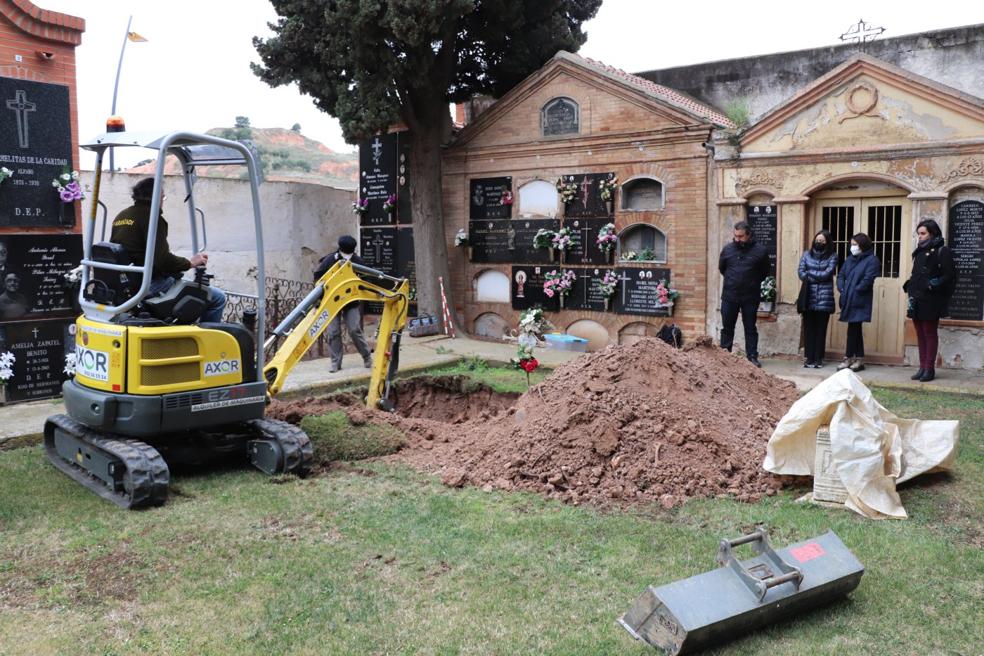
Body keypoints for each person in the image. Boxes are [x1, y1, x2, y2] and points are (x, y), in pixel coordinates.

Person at [110, 178, 227, 323]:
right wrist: (189, 263)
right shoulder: (153, 219)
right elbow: (162, 260)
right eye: (162, 197)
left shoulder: (122, 216)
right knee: (217, 298)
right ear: (156, 196)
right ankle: (208, 342)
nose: (163, 201)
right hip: (147, 284)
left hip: (126, 283)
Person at [903, 218, 955, 382]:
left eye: (923, 233)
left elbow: (950, 275)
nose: (920, 236)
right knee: (919, 333)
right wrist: (910, 285)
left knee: (929, 333)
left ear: (932, 234)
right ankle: (922, 367)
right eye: (918, 233)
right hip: (917, 298)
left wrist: (933, 284)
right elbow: (916, 273)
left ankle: (929, 369)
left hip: (931, 299)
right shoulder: (919, 251)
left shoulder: (942, 250)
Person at [314, 235, 373, 373]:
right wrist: (319, 299)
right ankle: (336, 362)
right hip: (331, 301)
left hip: (350, 301)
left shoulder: (358, 262)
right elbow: (318, 277)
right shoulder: (329, 260)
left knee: (354, 329)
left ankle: (367, 357)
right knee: (333, 332)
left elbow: (366, 279)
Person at [718, 220, 771, 367]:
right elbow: (722, 268)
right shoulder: (728, 249)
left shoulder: (760, 251)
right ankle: (724, 356)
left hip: (750, 295)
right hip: (730, 294)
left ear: (748, 235)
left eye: (740, 236)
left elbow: (765, 272)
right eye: (735, 236)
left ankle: (752, 357)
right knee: (727, 327)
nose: (737, 239)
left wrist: (751, 282)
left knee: (750, 327)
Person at [836, 232, 880, 372]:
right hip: (848, 297)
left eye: (855, 244)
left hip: (859, 299)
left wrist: (856, 290)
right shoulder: (850, 259)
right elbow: (841, 275)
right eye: (851, 244)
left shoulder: (872, 260)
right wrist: (842, 287)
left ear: (862, 245)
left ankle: (848, 358)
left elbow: (868, 279)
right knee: (855, 329)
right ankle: (858, 358)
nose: (852, 247)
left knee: (853, 329)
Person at [797, 229, 836, 368]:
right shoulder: (806, 254)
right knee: (808, 329)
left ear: (827, 242)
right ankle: (809, 358)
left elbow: (827, 274)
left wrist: (810, 273)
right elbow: (801, 272)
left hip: (824, 299)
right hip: (808, 297)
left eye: (822, 241)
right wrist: (814, 275)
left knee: (821, 329)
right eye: (817, 240)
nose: (819, 243)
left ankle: (819, 358)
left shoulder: (832, 256)